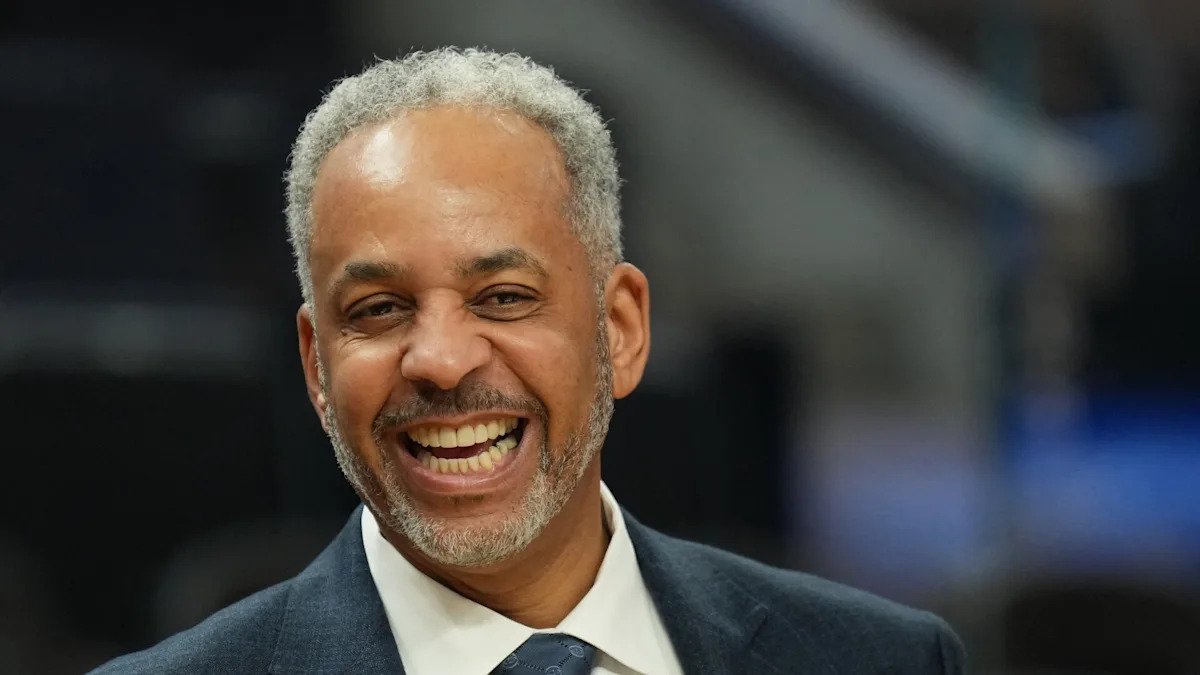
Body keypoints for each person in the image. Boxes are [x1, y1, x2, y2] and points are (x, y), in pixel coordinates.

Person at [94, 48, 966, 674]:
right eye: (379, 309)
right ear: (317, 367)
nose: (441, 360)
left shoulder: (885, 658)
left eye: (503, 296)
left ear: (620, 329)